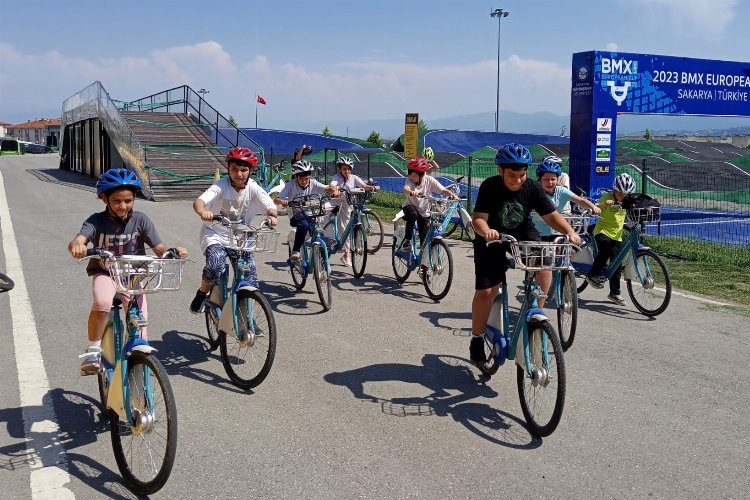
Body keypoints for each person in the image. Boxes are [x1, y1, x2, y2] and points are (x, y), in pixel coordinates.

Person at [469, 143, 582, 365]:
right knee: (487, 291)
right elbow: (478, 218)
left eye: (522, 175)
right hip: (492, 238)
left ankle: (536, 314)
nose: (518, 180)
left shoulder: (531, 187)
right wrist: (486, 231)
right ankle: (477, 339)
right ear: (500, 171)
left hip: (522, 232)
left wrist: (569, 231)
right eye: (512, 175)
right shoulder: (489, 186)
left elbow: (550, 215)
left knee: (544, 260)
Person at [68, 168, 187, 375]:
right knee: (103, 302)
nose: (123, 206)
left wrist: (171, 252)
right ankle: (93, 350)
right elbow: (80, 239)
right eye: (117, 201)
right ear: (104, 199)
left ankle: (140, 351)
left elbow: (158, 247)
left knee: (140, 315)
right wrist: (77, 246)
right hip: (106, 272)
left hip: (132, 275)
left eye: (129, 200)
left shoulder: (140, 220)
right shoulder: (96, 220)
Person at [189, 147, 278, 314]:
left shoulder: (253, 187)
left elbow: (268, 204)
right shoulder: (221, 186)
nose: (239, 174)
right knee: (215, 266)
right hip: (216, 234)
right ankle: (202, 293)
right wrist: (202, 211)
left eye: (244, 170)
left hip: (241, 237)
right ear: (228, 170)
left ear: (250, 170)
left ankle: (247, 320)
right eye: (234, 169)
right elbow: (200, 201)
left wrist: (272, 215)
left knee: (250, 281)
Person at [531, 156, 600, 308]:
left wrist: (592, 207)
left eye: (553, 179)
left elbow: (579, 200)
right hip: (540, 234)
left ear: (558, 179)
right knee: (542, 266)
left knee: (575, 246)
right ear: (540, 180)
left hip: (558, 232)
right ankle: (536, 290)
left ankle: (562, 273)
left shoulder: (562, 191)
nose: (550, 182)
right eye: (546, 179)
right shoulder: (535, 192)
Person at [585, 172, 637, 305]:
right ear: (614, 190)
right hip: (602, 231)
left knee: (617, 264)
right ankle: (592, 274)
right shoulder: (606, 197)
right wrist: (605, 205)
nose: (622, 197)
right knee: (606, 250)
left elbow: (637, 204)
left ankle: (614, 293)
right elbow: (596, 209)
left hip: (617, 234)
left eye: (625, 195)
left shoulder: (627, 201)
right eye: (620, 194)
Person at [274, 159, 340, 261]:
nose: (304, 181)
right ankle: (295, 250)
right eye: (301, 179)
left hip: (312, 213)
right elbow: (276, 199)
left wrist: (333, 190)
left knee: (316, 231)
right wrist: (283, 202)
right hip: (296, 214)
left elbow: (327, 188)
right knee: (304, 225)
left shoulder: (313, 183)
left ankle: (320, 263)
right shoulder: (290, 185)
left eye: (307, 178)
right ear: (296, 176)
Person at [329, 156, 379, 266]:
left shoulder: (354, 177)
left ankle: (356, 244)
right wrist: (335, 190)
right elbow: (332, 185)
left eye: (348, 169)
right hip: (340, 203)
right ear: (340, 169)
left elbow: (364, 185)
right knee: (344, 227)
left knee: (355, 223)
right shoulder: (336, 177)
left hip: (351, 204)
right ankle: (346, 254)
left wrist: (373, 188)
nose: (346, 171)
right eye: (344, 169)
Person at [400, 157, 458, 253]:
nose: (411, 177)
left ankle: (424, 263)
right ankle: (407, 241)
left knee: (425, 239)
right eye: (410, 174)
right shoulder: (409, 181)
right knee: (413, 215)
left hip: (424, 211)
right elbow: (405, 188)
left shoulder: (429, 180)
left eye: (414, 175)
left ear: (422, 175)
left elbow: (443, 190)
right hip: (410, 206)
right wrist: (411, 191)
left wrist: (453, 195)